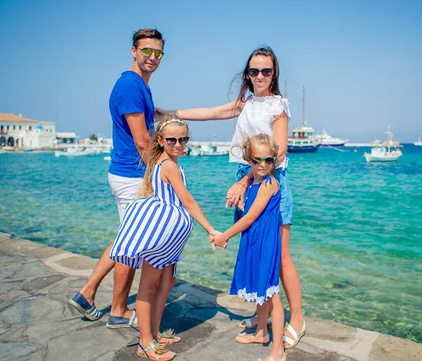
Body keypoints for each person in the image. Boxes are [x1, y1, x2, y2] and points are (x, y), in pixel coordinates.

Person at [167, 46, 306, 348]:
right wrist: (169, 114)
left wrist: (245, 181)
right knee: (257, 251)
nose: (259, 76)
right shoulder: (245, 102)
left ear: (274, 73)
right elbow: (209, 113)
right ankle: (262, 315)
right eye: (254, 71)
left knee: (279, 257)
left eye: (266, 71)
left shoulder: (278, 107)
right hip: (249, 179)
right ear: (247, 74)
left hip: (269, 182)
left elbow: (277, 154)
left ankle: (296, 318)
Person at [68, 28, 165, 328]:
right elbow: (140, 141)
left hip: (128, 174)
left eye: (157, 53)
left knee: (126, 238)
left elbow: (142, 128)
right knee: (131, 245)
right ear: (134, 51)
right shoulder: (130, 86)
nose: (152, 57)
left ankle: (88, 294)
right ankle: (119, 310)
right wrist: (167, 166)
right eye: (146, 51)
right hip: (132, 176)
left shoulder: (139, 87)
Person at [110, 116, 218, 360]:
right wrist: (210, 229)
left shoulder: (167, 162)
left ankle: (155, 332)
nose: (178, 144)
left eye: (183, 139)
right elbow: (187, 200)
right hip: (160, 235)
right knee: (148, 287)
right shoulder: (167, 165)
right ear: (160, 140)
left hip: (169, 236)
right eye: (172, 140)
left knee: (167, 282)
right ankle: (144, 342)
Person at [212, 134, 285, 361]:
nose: (262, 165)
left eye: (268, 160)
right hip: (254, 241)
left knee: (272, 296)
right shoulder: (252, 183)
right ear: (248, 160)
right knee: (260, 291)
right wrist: (240, 204)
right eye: (256, 160)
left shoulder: (270, 184)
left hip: (265, 243)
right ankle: (261, 332)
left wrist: (224, 236)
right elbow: (248, 213)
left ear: (275, 160)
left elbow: (250, 219)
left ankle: (278, 351)